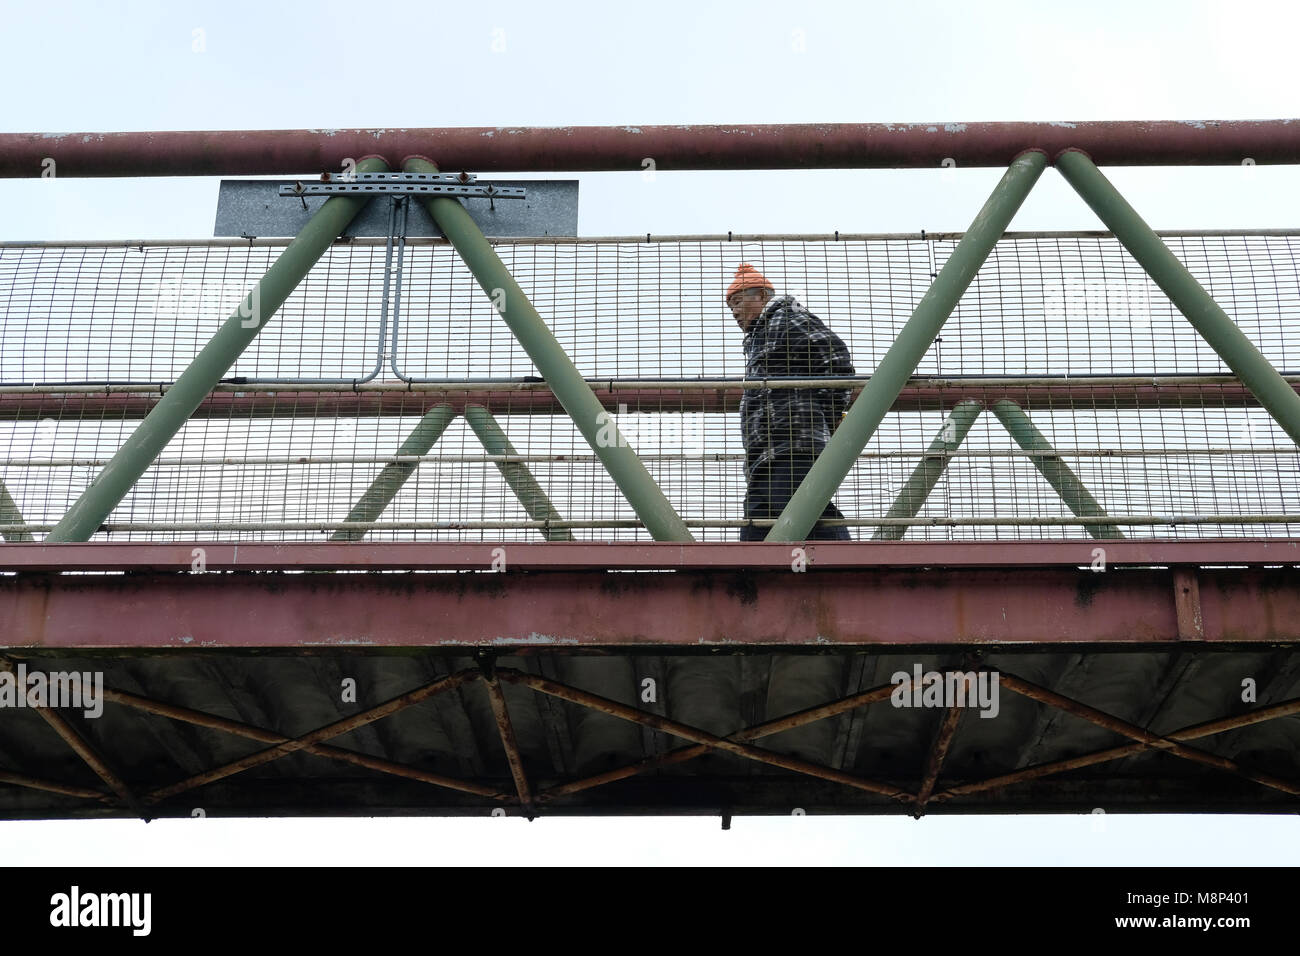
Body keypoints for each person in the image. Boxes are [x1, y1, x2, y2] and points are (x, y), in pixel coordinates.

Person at [727, 263, 856, 541]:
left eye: (738, 302)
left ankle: (854, 564)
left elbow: (836, 360)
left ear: (761, 296)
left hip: (794, 445)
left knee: (808, 514)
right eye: (730, 307)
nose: (734, 312)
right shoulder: (760, 336)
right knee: (757, 526)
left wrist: (827, 416)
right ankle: (748, 580)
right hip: (766, 455)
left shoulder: (785, 318)